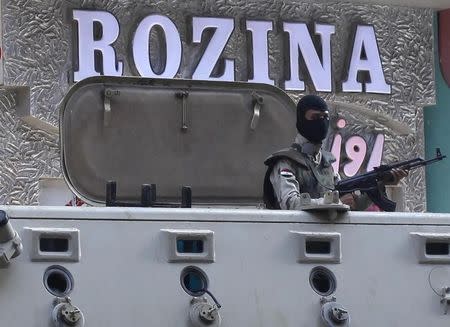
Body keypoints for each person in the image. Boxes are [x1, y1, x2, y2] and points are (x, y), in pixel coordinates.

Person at [263, 94, 407, 210]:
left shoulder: (326, 164)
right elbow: (291, 204)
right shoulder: (285, 162)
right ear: (301, 120)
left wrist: (380, 183)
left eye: (325, 117)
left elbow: (353, 206)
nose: (321, 122)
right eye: (314, 117)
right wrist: (335, 202)